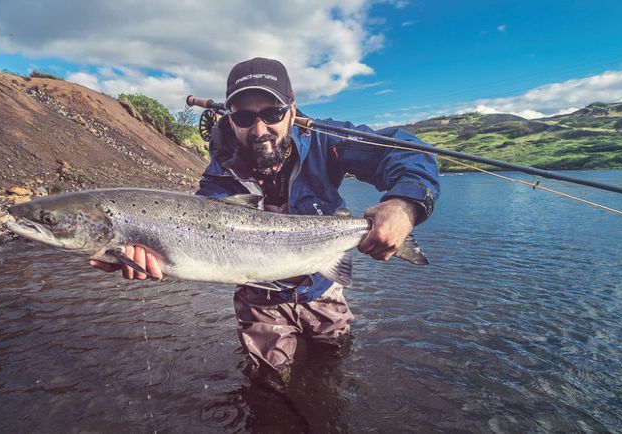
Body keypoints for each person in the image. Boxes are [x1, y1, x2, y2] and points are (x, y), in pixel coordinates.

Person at [92, 57, 440, 389]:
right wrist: (147, 257)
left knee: (334, 361)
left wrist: (403, 205)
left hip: (322, 285)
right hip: (259, 298)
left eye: (272, 113)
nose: (259, 129)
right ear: (229, 118)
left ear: (292, 109)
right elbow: (196, 236)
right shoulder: (218, 176)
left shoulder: (326, 141)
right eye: (243, 117)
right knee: (268, 386)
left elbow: (408, 151)